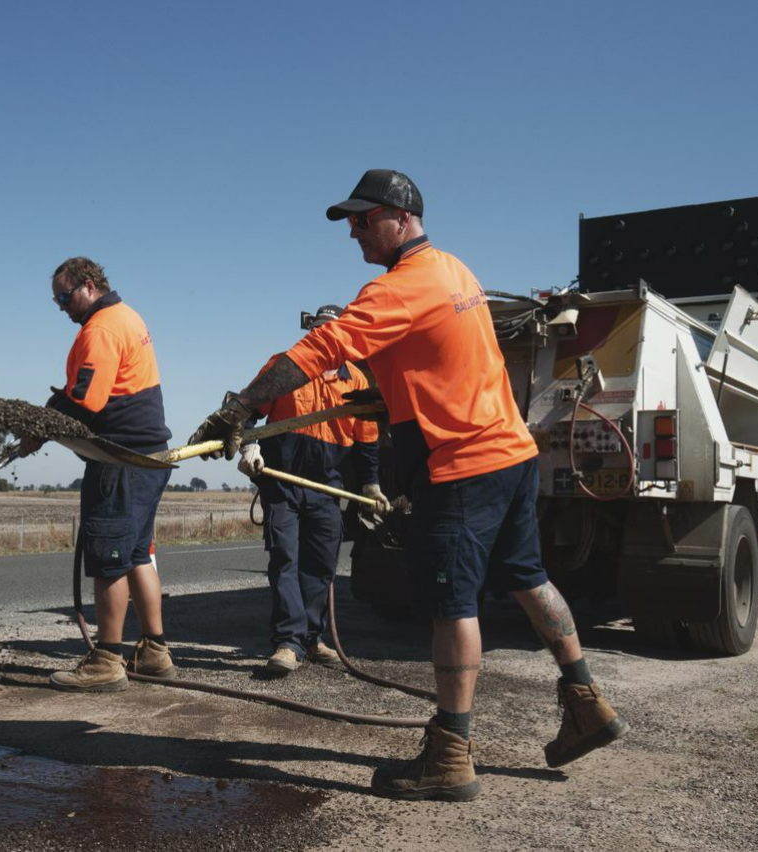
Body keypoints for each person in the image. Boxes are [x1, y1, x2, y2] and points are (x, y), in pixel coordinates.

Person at [189, 169, 629, 801]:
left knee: (453, 605)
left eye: (363, 220)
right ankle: (586, 699)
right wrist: (388, 396)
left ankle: (451, 753)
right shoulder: (456, 271)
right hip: (510, 453)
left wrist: (241, 407)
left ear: (399, 217)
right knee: (530, 579)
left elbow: (321, 349)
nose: (355, 233)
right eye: (351, 223)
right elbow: (432, 358)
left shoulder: (399, 287)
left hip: (462, 467)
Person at [31, 257, 175, 692]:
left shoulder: (102, 329)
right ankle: (154, 650)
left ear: (88, 286)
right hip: (148, 458)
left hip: (120, 459)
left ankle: (107, 660)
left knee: (110, 556)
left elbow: (87, 403)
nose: (60, 306)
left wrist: (42, 423)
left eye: (64, 296)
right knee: (136, 554)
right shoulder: (126, 316)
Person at [237, 304, 390, 673]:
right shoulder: (284, 367)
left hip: (326, 485)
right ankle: (288, 642)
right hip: (282, 480)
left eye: (331, 333)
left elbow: (367, 441)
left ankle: (310, 637)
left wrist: (370, 484)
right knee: (285, 559)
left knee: (320, 565)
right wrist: (248, 446)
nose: (324, 339)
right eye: (319, 332)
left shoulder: (355, 380)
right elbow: (245, 409)